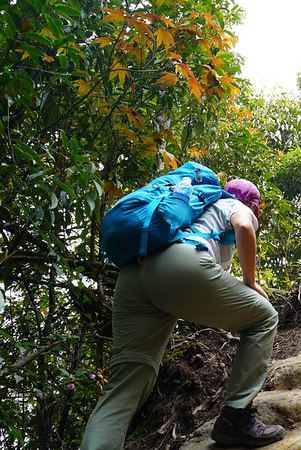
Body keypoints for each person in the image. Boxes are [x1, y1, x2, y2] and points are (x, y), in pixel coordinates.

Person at [80, 179, 284, 449]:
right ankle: (236, 417)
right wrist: (250, 282)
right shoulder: (233, 204)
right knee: (263, 317)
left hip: (133, 276)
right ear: (252, 205)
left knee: (127, 381)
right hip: (180, 265)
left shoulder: (193, 211)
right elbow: (244, 226)